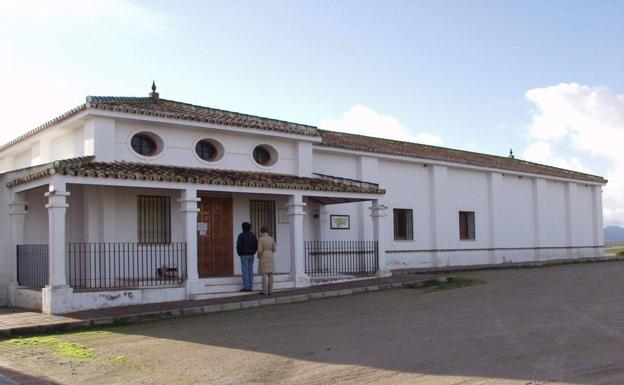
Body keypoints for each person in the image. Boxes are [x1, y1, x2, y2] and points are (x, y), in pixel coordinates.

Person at [236, 222, 258, 292]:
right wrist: (253, 252)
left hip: (244, 255)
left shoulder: (241, 235)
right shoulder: (253, 236)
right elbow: (256, 245)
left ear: (243, 228)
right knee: (250, 271)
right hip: (251, 255)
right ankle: (250, 286)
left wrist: (240, 253)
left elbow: (239, 246)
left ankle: (246, 287)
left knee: (245, 271)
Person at [257, 226, 276, 295]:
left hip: (264, 255)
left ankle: (265, 291)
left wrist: (258, 256)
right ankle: (271, 290)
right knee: (271, 274)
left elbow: (259, 250)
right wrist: (270, 252)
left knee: (264, 274)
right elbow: (274, 248)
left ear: (261, 231)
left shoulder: (261, 239)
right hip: (270, 255)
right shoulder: (271, 238)